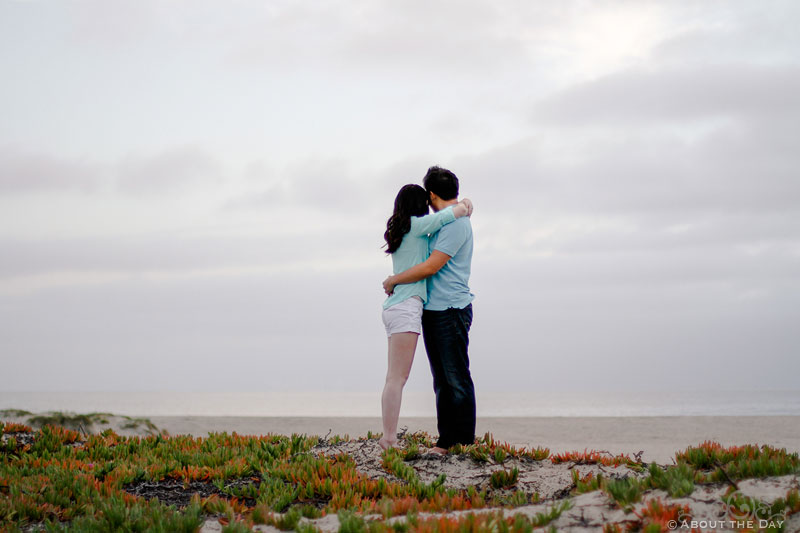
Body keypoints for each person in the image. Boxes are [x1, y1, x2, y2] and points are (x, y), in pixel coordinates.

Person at [383, 166, 475, 455]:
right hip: (432, 308)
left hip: (450, 307)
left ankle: (460, 442)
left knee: (455, 377)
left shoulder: (455, 224)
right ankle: (446, 440)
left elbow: (431, 266)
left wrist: (394, 279)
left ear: (433, 195)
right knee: (442, 379)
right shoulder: (434, 223)